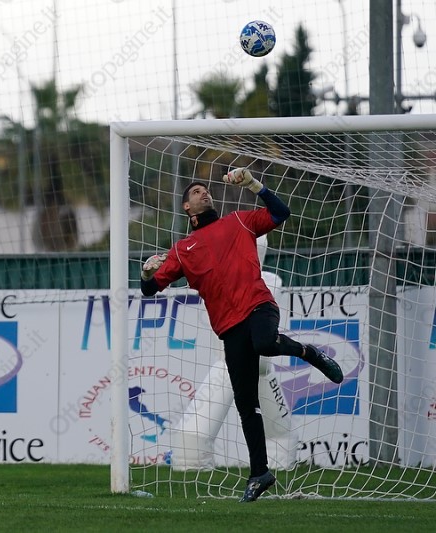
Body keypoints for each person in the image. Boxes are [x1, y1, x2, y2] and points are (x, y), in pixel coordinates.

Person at [140, 168, 343, 503]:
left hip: (259, 306)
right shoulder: (182, 250)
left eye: (206, 189)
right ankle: (259, 473)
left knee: (264, 342)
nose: (204, 193)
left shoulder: (239, 221)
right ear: (187, 207)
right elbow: (149, 290)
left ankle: (310, 353)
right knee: (247, 405)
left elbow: (281, 213)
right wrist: (146, 272)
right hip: (229, 327)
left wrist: (254, 185)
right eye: (196, 192)